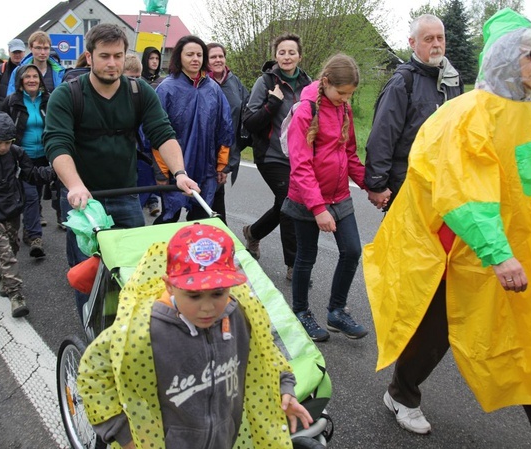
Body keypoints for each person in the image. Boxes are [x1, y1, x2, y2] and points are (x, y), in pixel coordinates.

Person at [363, 9, 531, 447]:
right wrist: (497, 252)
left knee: (529, 344)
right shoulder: (468, 115)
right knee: (439, 329)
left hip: (516, 257)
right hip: (459, 252)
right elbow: (464, 192)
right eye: (529, 55)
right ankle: (402, 393)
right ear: (503, 58)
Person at [77, 222, 312, 448]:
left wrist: (285, 389)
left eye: (218, 293)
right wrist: (124, 436)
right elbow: (94, 373)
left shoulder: (237, 313)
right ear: (169, 286)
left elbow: (266, 353)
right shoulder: (142, 328)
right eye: (194, 296)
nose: (208, 307)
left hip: (225, 437)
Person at [43, 23, 198, 320]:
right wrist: (75, 186)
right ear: (89, 57)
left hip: (126, 194)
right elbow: (57, 145)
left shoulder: (140, 92)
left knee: (133, 272)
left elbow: (163, 134)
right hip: (83, 199)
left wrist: (179, 172)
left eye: (118, 55)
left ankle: (128, 336)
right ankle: (93, 343)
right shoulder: (67, 95)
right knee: (88, 277)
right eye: (104, 56)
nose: (112, 63)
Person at [283, 53, 367, 342]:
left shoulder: (344, 109)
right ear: (327, 82)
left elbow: (350, 154)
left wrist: (371, 185)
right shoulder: (305, 111)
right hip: (308, 198)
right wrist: (318, 208)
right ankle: (301, 311)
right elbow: (301, 164)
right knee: (306, 257)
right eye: (342, 93)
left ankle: (336, 311)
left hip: (339, 194)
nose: (346, 99)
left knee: (353, 250)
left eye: (350, 95)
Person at [364, 14, 463, 211]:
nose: (436, 44)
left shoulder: (454, 81)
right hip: (407, 183)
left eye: (440, 38)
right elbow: (383, 136)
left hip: (445, 184)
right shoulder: (403, 82)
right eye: (428, 39)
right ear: (412, 42)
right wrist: (377, 184)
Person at [0, 112, 55, 317]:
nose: (3, 147)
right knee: (5, 253)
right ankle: (16, 295)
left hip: (12, 208)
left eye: (7, 143)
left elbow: (31, 174)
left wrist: (54, 171)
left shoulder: (17, 153)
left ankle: (4, 279)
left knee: (13, 246)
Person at [242, 33, 312, 281]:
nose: (287, 56)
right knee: (289, 205)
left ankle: (253, 232)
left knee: (284, 204)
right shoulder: (265, 82)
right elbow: (249, 122)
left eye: (291, 52)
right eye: (282, 52)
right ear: (276, 56)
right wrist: (272, 102)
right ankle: (294, 265)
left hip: (298, 156)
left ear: (299, 56)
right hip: (271, 154)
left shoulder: (308, 83)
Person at [150, 35, 232, 224]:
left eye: (199, 54)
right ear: (179, 57)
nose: (195, 59)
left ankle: (192, 253)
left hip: (206, 166)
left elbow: (224, 128)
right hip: (174, 168)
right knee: (169, 217)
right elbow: (155, 134)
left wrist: (222, 165)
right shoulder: (166, 89)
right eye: (190, 54)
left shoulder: (213, 89)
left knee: (201, 219)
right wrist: (161, 172)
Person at [0, 64, 49, 258]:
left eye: (35, 76)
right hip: (22, 156)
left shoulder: (48, 100)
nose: (31, 80)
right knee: (31, 196)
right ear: (20, 81)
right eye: (27, 76)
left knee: (34, 196)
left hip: (43, 156)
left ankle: (28, 231)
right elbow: (1, 124)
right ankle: (36, 237)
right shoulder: (12, 101)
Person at [207, 42, 251, 224]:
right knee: (200, 201)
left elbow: (247, 115)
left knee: (216, 198)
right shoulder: (200, 83)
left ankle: (217, 240)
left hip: (225, 152)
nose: (218, 60)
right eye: (213, 57)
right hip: (203, 152)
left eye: (220, 56)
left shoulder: (235, 83)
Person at [124, 54, 160, 218]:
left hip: (142, 156)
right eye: (130, 77)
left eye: (138, 77)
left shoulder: (144, 96)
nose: (135, 81)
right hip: (120, 163)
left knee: (135, 213)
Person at [6, 31, 65, 96]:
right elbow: (11, 99)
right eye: (38, 48)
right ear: (31, 48)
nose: (42, 52)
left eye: (46, 48)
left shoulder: (60, 72)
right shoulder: (18, 72)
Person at [0, 38, 26, 103]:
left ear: (24, 52)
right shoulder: (1, 70)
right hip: (4, 109)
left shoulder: (31, 69)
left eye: (19, 52)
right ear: (9, 52)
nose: (17, 55)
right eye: (14, 52)